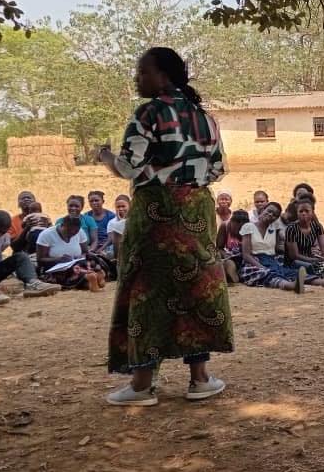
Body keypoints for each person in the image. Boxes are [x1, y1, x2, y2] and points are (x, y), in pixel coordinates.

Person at [98, 47, 233, 406]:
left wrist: (106, 157)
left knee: (147, 288)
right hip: (196, 210)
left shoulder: (149, 113)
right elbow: (219, 169)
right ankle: (200, 379)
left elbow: (128, 167)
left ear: (164, 76)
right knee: (196, 287)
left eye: (142, 72)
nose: (137, 78)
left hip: (156, 212)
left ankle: (142, 385)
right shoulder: (206, 118)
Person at [240, 201, 311, 292]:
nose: (270, 215)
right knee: (267, 273)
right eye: (269, 211)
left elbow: (278, 248)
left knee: (288, 271)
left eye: (274, 215)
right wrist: (261, 266)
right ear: (263, 210)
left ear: (276, 219)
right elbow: (246, 255)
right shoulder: (248, 227)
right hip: (254, 261)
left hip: (271, 259)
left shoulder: (274, 228)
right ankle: (291, 285)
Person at [284, 200, 324, 288]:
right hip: (294, 262)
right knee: (322, 266)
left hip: (311, 258)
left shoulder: (317, 226)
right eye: (301, 211)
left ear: (312, 213)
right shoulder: (291, 229)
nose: (303, 213)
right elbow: (294, 255)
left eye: (307, 211)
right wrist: (312, 260)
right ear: (297, 213)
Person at [36, 215, 105, 290]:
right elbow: (40, 259)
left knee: (93, 258)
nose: (72, 233)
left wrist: (81, 256)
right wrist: (58, 259)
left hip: (78, 263)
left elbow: (85, 252)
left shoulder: (80, 232)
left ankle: (90, 278)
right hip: (57, 268)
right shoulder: (46, 235)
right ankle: (90, 275)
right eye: (68, 231)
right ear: (62, 225)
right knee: (72, 270)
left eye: (75, 232)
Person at [105, 195, 130, 262]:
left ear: (130, 206)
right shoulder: (112, 222)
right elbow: (112, 240)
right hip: (117, 248)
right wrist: (119, 223)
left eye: (123, 206)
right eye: (118, 207)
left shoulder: (134, 220)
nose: (120, 209)